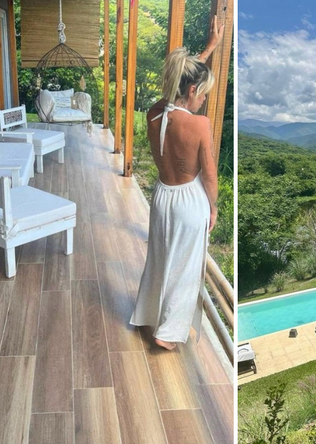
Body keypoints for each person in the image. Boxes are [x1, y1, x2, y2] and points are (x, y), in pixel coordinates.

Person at [130, 17, 225, 350]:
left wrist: (209, 48)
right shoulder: (199, 125)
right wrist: (212, 207)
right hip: (189, 202)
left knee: (160, 258)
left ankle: (149, 314)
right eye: (202, 94)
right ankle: (168, 334)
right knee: (185, 269)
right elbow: (210, 175)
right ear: (192, 91)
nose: (203, 100)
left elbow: (180, 81)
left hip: (162, 196)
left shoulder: (154, 113)